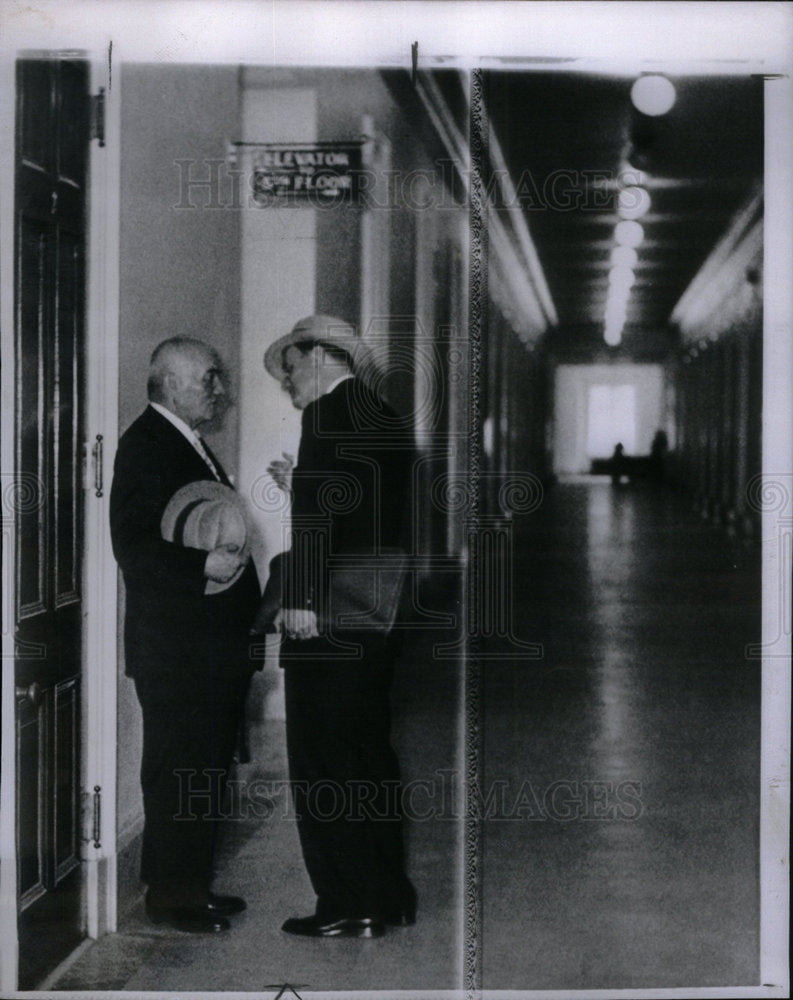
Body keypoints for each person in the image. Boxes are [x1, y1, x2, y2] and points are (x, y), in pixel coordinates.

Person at [261, 315, 416, 939]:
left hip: (331, 613)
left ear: (323, 355)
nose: (287, 382)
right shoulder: (380, 413)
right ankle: (388, 893)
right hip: (375, 612)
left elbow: (324, 520)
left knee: (324, 760)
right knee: (368, 754)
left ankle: (349, 902)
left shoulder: (325, 415)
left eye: (292, 366)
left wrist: (299, 597)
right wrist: (300, 482)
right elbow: (358, 504)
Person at [110, 337, 261, 934]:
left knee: (202, 770)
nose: (219, 390)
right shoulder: (145, 444)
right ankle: (172, 897)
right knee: (179, 771)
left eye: (218, 378)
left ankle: (191, 886)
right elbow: (133, 544)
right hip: (176, 649)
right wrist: (201, 567)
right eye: (209, 379)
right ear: (170, 382)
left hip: (208, 645)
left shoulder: (187, 444)